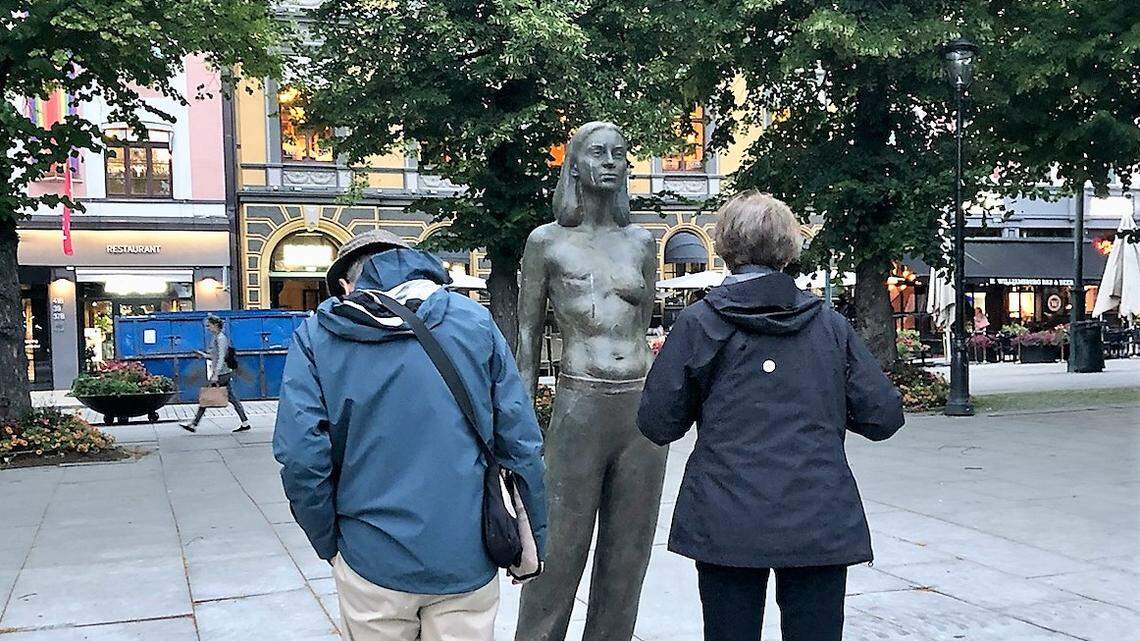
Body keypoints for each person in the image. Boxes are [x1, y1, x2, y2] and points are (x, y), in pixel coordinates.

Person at [637, 191, 905, 641]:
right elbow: (882, 416)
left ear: (724, 246)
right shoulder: (829, 325)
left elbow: (658, 422)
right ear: (788, 247)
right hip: (816, 513)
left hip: (727, 515)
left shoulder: (700, 323)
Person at [273, 229, 547, 641]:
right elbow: (521, 443)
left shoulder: (318, 335)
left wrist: (328, 541)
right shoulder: (473, 320)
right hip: (466, 554)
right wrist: (534, 538)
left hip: (371, 556)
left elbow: (301, 455)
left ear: (348, 284)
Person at [514, 122, 666, 641]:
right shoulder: (547, 243)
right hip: (580, 402)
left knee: (628, 557)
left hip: (641, 413)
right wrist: (518, 430)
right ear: (574, 164)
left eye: (619, 154)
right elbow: (529, 340)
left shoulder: (642, 243)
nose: (610, 162)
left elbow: (642, 328)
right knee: (558, 552)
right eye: (597, 153)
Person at [180, 314, 249, 433]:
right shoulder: (216, 337)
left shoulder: (221, 338)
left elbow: (221, 357)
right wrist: (203, 355)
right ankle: (245, 422)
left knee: (207, 396)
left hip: (222, 373)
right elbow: (215, 356)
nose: (208, 328)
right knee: (232, 398)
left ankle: (194, 424)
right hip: (224, 372)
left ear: (216, 325)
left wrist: (216, 374)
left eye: (209, 326)